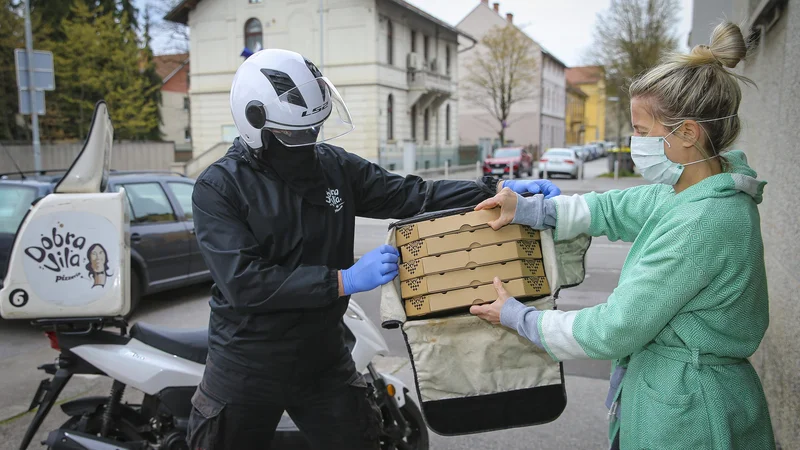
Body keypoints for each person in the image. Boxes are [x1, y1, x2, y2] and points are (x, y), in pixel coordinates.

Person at [187, 48, 560, 450]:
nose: (308, 141)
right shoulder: (219, 188)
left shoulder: (331, 165)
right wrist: (343, 280)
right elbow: (245, 283)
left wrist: (493, 191)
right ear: (254, 125)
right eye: (295, 134)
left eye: (315, 129)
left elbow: (412, 195)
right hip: (247, 361)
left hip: (322, 355)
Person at [470, 22, 775, 450]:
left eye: (641, 131)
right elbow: (613, 208)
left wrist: (519, 318)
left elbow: (615, 328)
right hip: (681, 394)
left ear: (686, 133)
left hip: (691, 418)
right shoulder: (690, 191)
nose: (633, 142)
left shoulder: (702, 223)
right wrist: (528, 208)